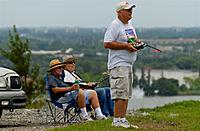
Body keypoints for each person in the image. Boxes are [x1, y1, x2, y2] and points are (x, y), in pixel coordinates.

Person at [103, 1, 140, 128]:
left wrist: (137, 43)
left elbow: (132, 40)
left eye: (131, 10)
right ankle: (116, 121)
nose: (130, 12)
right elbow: (107, 43)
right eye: (128, 10)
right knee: (119, 93)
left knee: (126, 94)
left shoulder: (129, 25)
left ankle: (123, 119)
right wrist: (126, 46)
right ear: (119, 12)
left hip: (128, 64)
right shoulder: (115, 25)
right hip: (118, 64)